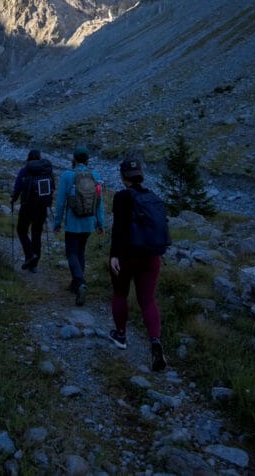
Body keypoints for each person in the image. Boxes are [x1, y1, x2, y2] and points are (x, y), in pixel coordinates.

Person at [108, 158, 169, 371]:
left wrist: (113, 255)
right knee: (148, 300)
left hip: (127, 255)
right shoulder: (152, 196)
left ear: (123, 177)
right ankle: (155, 341)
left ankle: (121, 335)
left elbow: (118, 228)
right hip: (151, 256)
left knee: (120, 293)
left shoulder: (121, 197)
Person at [53, 145, 105, 305]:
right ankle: (76, 284)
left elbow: (61, 202)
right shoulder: (95, 175)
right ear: (87, 159)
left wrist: (57, 223)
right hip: (88, 222)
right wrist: (100, 223)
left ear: (74, 159)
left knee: (71, 253)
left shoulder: (68, 175)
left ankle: (80, 282)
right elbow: (99, 202)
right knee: (80, 252)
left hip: (72, 222)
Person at [10, 149, 54, 272]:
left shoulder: (25, 170)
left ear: (29, 158)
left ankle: (30, 255)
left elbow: (18, 187)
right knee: (37, 234)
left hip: (27, 205)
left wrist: (14, 199)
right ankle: (33, 265)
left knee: (22, 230)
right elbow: (52, 187)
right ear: (40, 158)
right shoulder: (46, 171)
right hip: (42, 207)